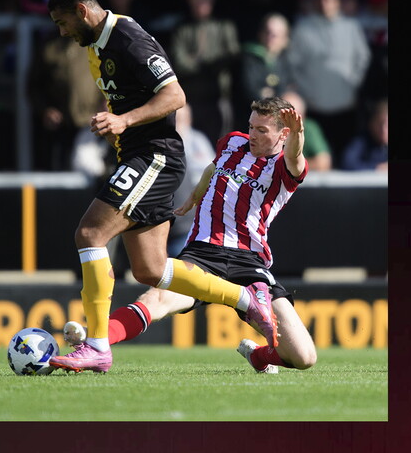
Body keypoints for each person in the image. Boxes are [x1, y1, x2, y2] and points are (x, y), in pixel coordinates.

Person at [45, 0, 278, 374]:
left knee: (90, 234)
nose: (63, 32)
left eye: (63, 22)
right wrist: (117, 123)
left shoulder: (128, 38)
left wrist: (124, 120)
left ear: (82, 11)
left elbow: (175, 96)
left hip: (155, 157)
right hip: (138, 155)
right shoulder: (98, 45)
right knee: (150, 270)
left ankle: (97, 346)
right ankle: (245, 299)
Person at [96, 97, 316, 374]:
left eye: (262, 130)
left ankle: (258, 356)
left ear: (283, 134)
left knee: (304, 357)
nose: (252, 135)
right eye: (251, 126)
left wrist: (298, 134)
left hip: (249, 263)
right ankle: (96, 342)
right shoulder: (232, 142)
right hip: (203, 252)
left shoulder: (284, 167)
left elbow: (295, 157)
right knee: (155, 300)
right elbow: (213, 168)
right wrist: (194, 196)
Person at [286, 0, 370, 164]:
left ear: (337, 2)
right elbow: (293, 63)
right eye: (321, 0)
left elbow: (363, 57)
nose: (325, 4)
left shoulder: (351, 26)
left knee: (345, 150)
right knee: (319, 149)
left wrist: (353, 83)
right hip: (315, 102)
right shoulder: (303, 28)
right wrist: (306, 90)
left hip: (345, 101)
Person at [169, 0, 241, 146]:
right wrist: (209, 64)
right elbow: (179, 63)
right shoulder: (181, 28)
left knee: (222, 146)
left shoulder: (224, 26)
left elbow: (232, 57)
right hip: (189, 100)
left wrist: (198, 62)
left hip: (219, 99)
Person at [27, 33, 103, 171]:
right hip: (59, 125)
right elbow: (33, 86)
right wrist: (45, 109)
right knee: (59, 169)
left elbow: (113, 77)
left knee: (89, 166)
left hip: (92, 122)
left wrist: (106, 105)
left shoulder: (96, 41)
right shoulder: (49, 46)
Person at [167, 102, 215, 256]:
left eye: (182, 119)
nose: (178, 124)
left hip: (189, 218)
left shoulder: (197, 140)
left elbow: (210, 172)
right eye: (175, 119)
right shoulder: (162, 142)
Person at [231, 12, 294, 130]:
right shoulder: (249, 58)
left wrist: (273, 95)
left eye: (275, 35)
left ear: (285, 38)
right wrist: (274, 98)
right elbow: (250, 90)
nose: (270, 38)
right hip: (250, 120)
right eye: (267, 32)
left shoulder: (287, 59)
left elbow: (289, 88)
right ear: (261, 33)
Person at [281, 91, 331, 172]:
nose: (287, 120)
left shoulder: (309, 128)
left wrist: (292, 165)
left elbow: (323, 162)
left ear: (302, 116)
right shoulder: (271, 129)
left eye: (292, 116)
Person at [340, 98, 388, 172]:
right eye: (380, 124)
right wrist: (376, 167)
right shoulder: (362, 141)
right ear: (371, 123)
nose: (383, 129)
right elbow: (347, 162)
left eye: (387, 125)